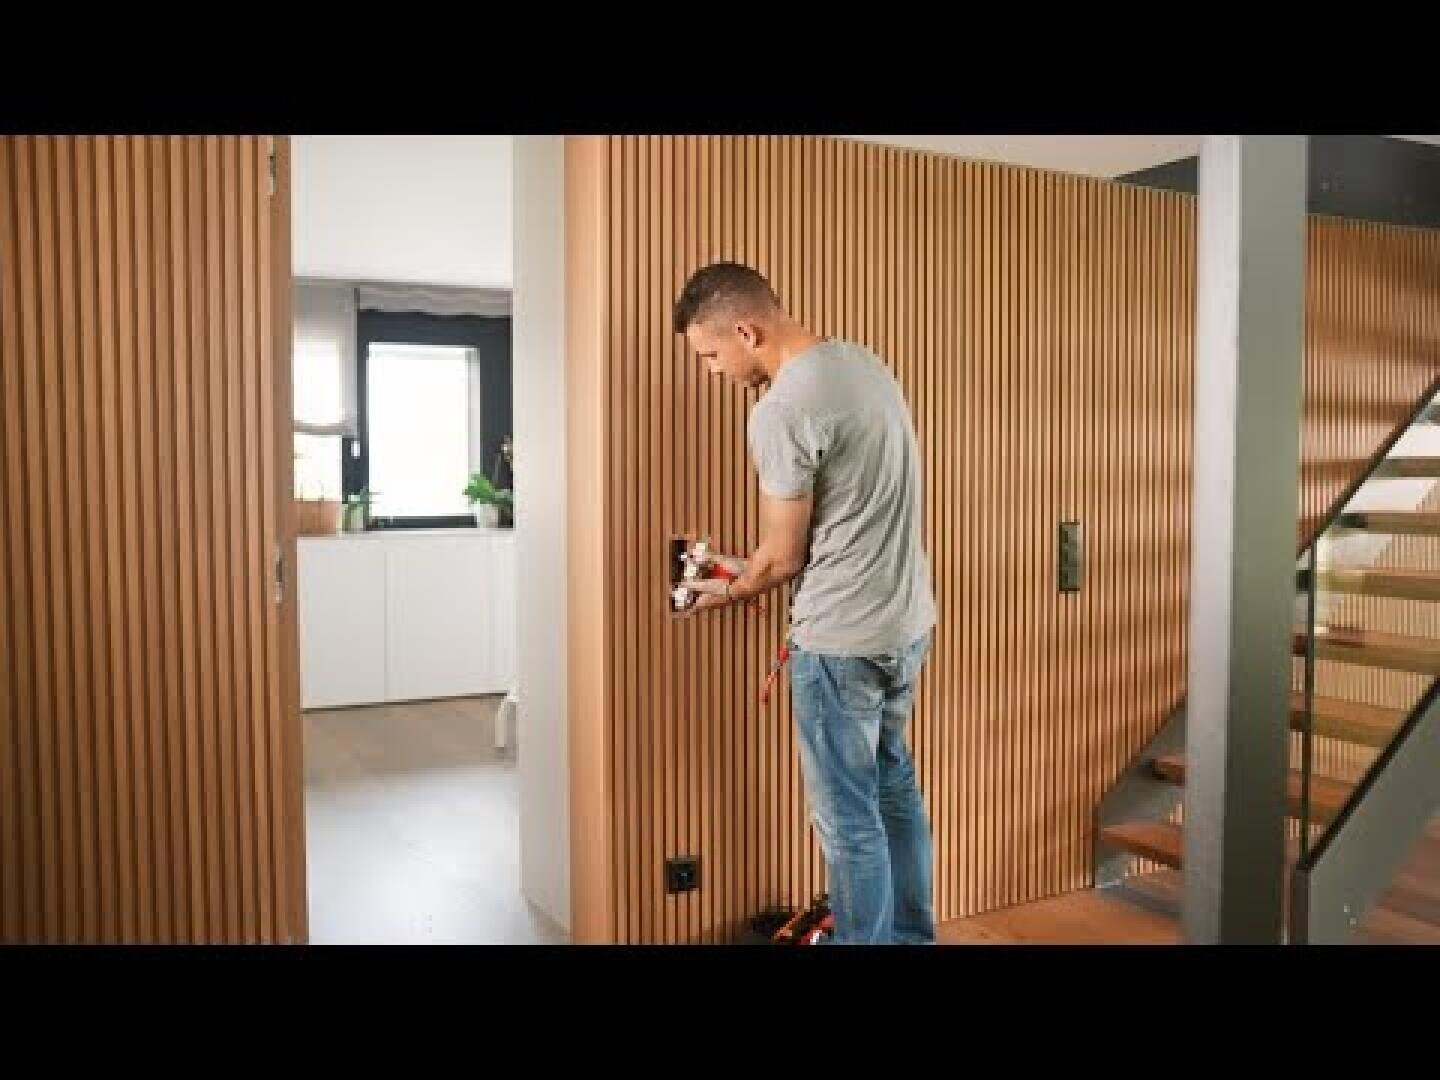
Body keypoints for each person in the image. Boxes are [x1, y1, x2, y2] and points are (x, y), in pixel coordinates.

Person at [673, 261, 938, 945]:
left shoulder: (781, 410)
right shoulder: (861, 363)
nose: (712, 372)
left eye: (709, 355)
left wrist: (728, 588)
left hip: (840, 648)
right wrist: (750, 567)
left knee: (849, 823)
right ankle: (911, 938)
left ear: (744, 330)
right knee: (893, 793)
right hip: (904, 626)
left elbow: (783, 557)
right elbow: (839, 521)